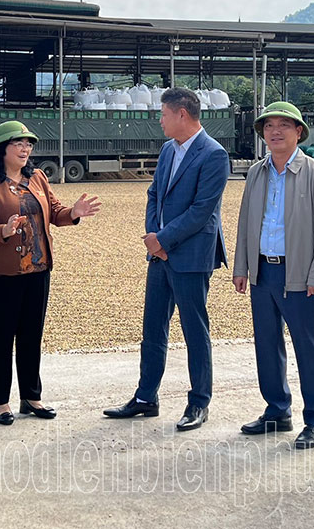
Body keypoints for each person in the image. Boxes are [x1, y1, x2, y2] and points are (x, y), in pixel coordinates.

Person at [104, 87, 228, 431]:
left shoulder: (213, 154)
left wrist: (163, 239)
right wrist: (152, 238)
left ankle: (199, 402)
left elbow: (203, 211)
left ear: (182, 115)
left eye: (163, 114)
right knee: (153, 329)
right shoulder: (167, 150)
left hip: (190, 256)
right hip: (160, 254)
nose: (159, 120)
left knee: (194, 330)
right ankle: (146, 397)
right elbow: (154, 193)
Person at [0, 121, 101, 425]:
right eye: (18, 143)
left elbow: (55, 212)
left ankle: (31, 397)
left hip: (38, 269)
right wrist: (2, 230)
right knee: (1, 337)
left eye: (28, 144)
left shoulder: (38, 178)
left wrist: (74, 212)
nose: (25, 149)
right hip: (2, 272)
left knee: (32, 334)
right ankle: (0, 402)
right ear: (2, 148)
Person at [232, 101, 314, 449]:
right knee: (267, 345)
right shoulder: (256, 174)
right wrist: (242, 267)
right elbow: (246, 222)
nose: (275, 131)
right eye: (268, 126)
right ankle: (277, 410)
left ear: (298, 132)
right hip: (264, 272)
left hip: (300, 276)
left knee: (309, 348)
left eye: (283, 125)